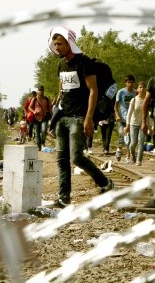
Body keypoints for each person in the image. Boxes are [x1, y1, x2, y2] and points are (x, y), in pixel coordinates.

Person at [48, 26, 114, 207]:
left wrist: (89, 118)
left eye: (60, 43)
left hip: (78, 116)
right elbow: (61, 91)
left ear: (69, 43)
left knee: (76, 157)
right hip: (62, 117)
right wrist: (54, 117)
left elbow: (93, 91)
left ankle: (105, 183)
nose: (57, 47)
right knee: (61, 159)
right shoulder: (61, 64)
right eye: (55, 44)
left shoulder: (84, 63)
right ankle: (64, 198)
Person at [125, 81, 148, 166]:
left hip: (143, 124)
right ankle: (132, 154)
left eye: (143, 87)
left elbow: (148, 114)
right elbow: (129, 114)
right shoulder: (134, 100)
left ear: (146, 89)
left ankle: (139, 160)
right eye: (140, 87)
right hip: (133, 123)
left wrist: (150, 125)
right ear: (137, 89)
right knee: (133, 142)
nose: (142, 89)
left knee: (141, 141)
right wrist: (127, 125)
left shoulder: (147, 99)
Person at [115, 75, 136, 163]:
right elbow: (116, 105)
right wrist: (117, 115)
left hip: (131, 119)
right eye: (128, 82)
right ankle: (119, 150)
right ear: (125, 83)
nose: (130, 84)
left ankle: (128, 157)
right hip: (122, 119)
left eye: (131, 82)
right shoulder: (121, 92)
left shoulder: (135, 93)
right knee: (122, 136)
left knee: (130, 139)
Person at [31, 85, 52, 151]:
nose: (41, 92)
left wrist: (51, 117)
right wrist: (34, 111)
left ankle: (43, 142)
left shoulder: (46, 99)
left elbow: (50, 108)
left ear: (43, 91)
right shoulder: (34, 99)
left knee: (44, 130)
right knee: (37, 133)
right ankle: (38, 146)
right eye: (39, 90)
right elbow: (29, 107)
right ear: (37, 91)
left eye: (42, 90)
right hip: (36, 118)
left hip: (44, 117)